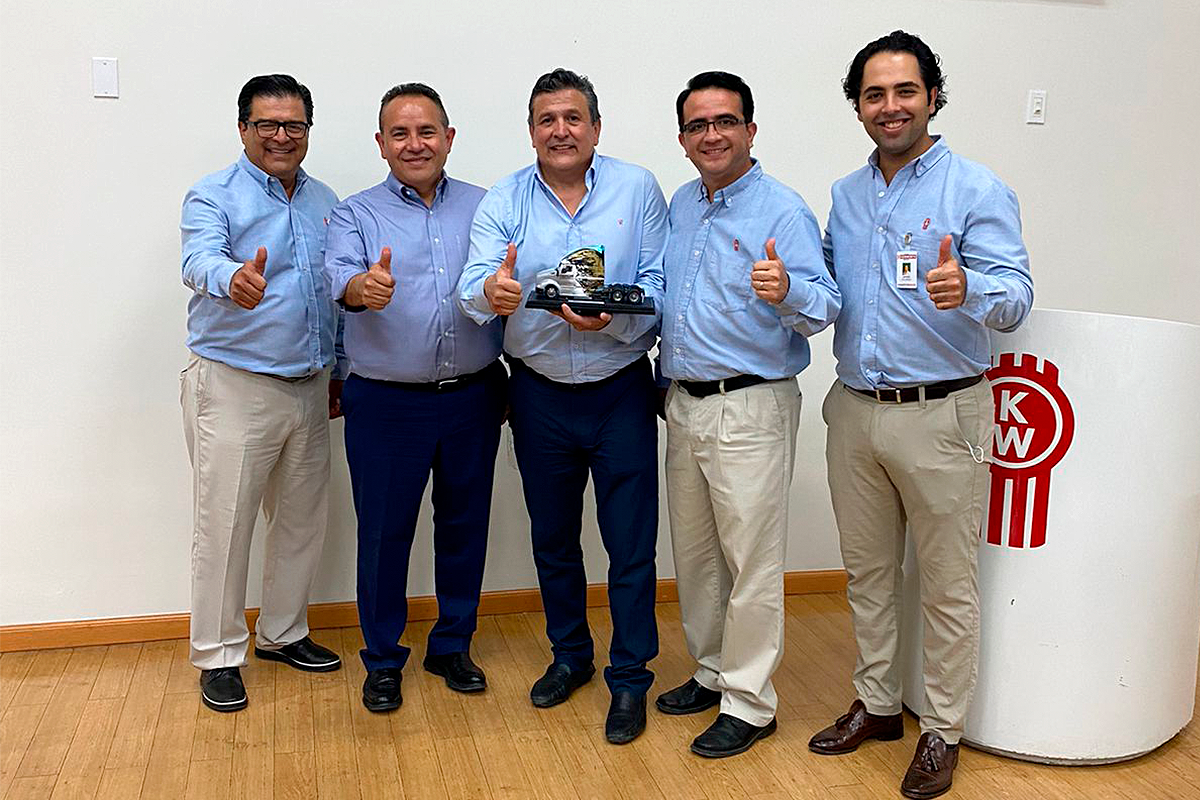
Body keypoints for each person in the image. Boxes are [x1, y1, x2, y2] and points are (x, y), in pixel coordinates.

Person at [808, 31, 1033, 799]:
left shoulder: (976, 188)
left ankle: (942, 730)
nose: (891, 106)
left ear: (933, 96)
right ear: (858, 107)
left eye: (905, 90)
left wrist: (969, 288)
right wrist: (786, 289)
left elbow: (1016, 297)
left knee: (946, 583)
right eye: (874, 94)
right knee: (868, 574)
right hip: (854, 411)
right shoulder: (846, 195)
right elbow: (830, 292)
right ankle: (877, 704)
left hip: (943, 414)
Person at [456, 68, 666, 745]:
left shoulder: (637, 188)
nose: (560, 130)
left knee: (630, 544)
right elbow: (473, 283)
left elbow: (659, 283)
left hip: (620, 387)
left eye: (573, 118)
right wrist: (492, 293)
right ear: (531, 132)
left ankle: (630, 676)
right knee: (553, 540)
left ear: (596, 128)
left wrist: (615, 319)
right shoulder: (505, 198)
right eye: (546, 119)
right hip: (538, 391)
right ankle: (571, 656)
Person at [656, 71, 841, 758]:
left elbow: (825, 307)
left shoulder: (782, 210)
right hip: (685, 403)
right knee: (698, 556)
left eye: (725, 121)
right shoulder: (682, 204)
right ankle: (712, 672)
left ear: (750, 130)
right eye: (698, 125)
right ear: (683, 139)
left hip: (751, 404)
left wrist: (787, 289)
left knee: (751, 562)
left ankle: (750, 702)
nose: (712, 135)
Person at [323, 83, 505, 713]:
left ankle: (452, 644)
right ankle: (381, 659)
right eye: (399, 134)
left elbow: (505, 282)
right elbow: (339, 278)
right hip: (385, 403)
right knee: (383, 534)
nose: (414, 144)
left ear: (448, 138)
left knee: (464, 527)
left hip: (474, 396)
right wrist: (362, 288)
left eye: (426, 131)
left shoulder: (487, 205)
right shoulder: (354, 214)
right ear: (381, 144)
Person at [180, 73, 343, 713]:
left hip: (310, 385)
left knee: (302, 520)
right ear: (244, 128)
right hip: (235, 385)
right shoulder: (212, 194)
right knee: (224, 526)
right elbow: (198, 259)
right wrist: (231, 279)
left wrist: (339, 370)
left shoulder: (325, 200)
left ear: (308, 131)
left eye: (293, 125)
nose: (281, 136)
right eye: (267, 124)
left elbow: (335, 292)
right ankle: (219, 655)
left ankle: (283, 632)